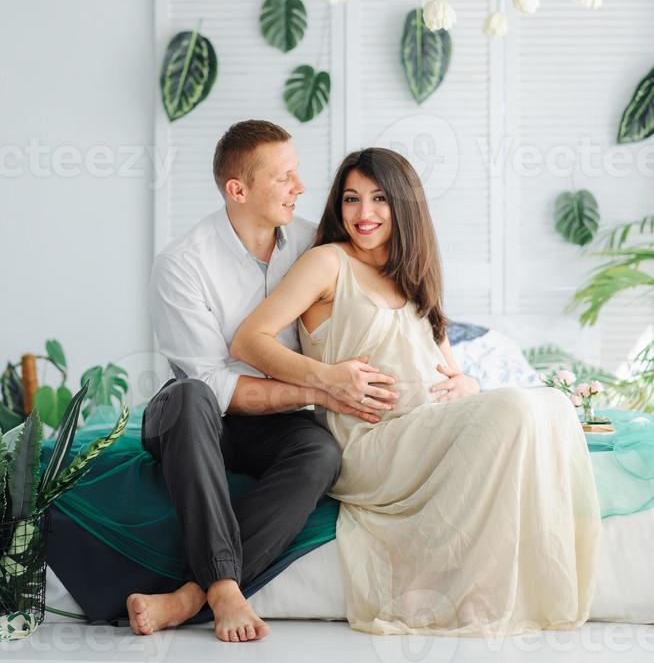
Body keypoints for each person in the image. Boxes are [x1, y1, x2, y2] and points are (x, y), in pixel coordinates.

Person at [231, 147, 602, 637]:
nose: (364, 214)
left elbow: (449, 368)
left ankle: (502, 590)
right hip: (370, 442)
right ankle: (467, 597)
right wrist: (324, 378)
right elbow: (248, 340)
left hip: (430, 432)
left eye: (379, 198)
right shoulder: (327, 262)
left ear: (404, 204)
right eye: (351, 199)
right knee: (513, 406)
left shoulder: (414, 277)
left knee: (550, 403)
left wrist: (466, 383)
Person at [128, 121, 400, 643]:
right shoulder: (182, 265)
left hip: (269, 424)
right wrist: (322, 388)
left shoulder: (312, 245)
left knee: (320, 452)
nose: (300, 187)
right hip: (192, 421)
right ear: (238, 190)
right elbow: (212, 383)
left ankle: (188, 597)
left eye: (298, 173)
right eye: (285, 177)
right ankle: (225, 586)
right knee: (190, 397)